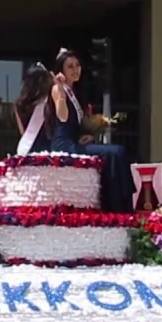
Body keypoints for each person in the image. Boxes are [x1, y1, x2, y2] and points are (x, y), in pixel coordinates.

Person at [49, 48, 134, 213]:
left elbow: (76, 124)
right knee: (115, 152)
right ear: (62, 71)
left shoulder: (75, 92)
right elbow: (63, 117)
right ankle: (115, 208)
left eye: (77, 65)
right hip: (64, 146)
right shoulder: (58, 89)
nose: (75, 70)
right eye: (70, 67)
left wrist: (86, 135)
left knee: (119, 152)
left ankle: (124, 205)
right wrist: (59, 90)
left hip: (74, 142)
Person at [13, 63, 54, 155]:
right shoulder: (50, 101)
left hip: (28, 150)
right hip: (48, 149)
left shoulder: (19, 104)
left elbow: (23, 132)